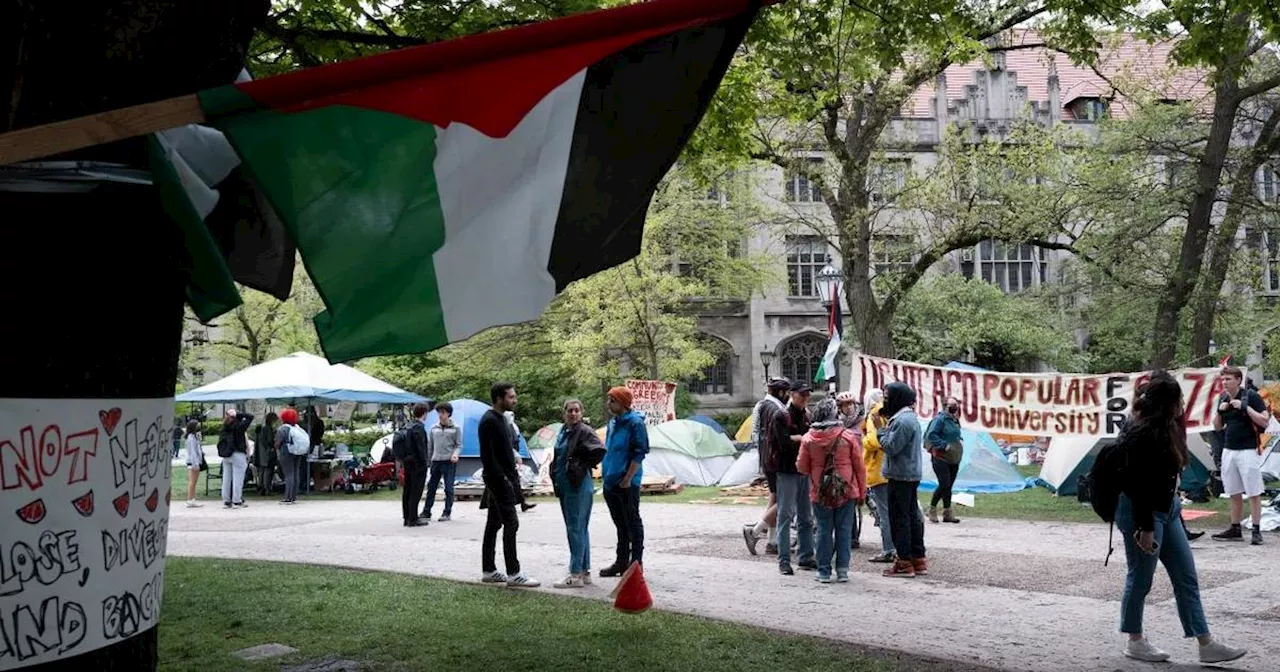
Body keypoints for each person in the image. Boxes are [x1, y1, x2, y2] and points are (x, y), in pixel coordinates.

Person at [1113, 371, 1247, 665]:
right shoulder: (1139, 433)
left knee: (1186, 577)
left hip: (1168, 509)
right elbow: (1137, 486)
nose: (1181, 404)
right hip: (1141, 513)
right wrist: (1145, 528)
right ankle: (1135, 640)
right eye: (1177, 399)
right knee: (1141, 578)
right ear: (1164, 402)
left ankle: (1205, 642)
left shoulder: (1169, 424)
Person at [797, 398, 866, 584]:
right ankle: (842, 570)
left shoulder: (808, 439)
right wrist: (862, 492)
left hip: (820, 490)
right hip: (846, 488)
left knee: (823, 530)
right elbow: (860, 467)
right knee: (844, 530)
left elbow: (802, 467)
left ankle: (824, 571)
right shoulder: (848, 436)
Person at [479, 382, 539, 587]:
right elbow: (489, 455)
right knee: (511, 523)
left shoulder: (502, 419)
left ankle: (488, 570)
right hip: (498, 480)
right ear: (499, 398)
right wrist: (502, 479)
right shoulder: (489, 421)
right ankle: (514, 573)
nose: (515, 400)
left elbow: (505, 451)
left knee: (494, 523)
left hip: (505, 478)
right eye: (511, 397)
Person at [551, 398, 605, 588]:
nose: (573, 414)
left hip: (578, 483)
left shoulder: (584, 431)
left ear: (581, 413)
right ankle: (584, 570)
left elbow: (599, 450)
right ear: (564, 413)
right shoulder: (564, 431)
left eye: (576, 411)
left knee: (575, 527)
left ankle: (574, 574)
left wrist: (580, 464)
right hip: (565, 483)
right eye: (569, 411)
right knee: (578, 528)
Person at [1211, 366, 1267, 545]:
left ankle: (1256, 529)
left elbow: (1264, 420)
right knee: (1233, 491)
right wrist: (1220, 411)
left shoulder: (1251, 396)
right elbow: (1217, 427)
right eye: (1223, 379)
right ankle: (1235, 527)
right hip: (1229, 449)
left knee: (1253, 491)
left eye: (1228, 379)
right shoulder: (1223, 397)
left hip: (1248, 449)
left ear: (1238, 379)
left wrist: (1246, 408)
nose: (1225, 383)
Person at [875, 382, 926, 577]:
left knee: (899, 519)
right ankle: (917, 558)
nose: (885, 402)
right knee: (912, 517)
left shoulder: (902, 420)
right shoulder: (907, 417)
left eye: (888, 398)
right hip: (910, 474)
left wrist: (881, 429)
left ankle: (904, 561)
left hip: (900, 475)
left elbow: (891, 447)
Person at [600, 386, 650, 578]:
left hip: (627, 482)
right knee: (620, 524)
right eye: (608, 400)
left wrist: (628, 478)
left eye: (612, 400)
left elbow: (640, 452)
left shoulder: (635, 423)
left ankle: (636, 563)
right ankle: (621, 561)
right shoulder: (613, 423)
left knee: (633, 522)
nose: (609, 404)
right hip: (611, 480)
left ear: (623, 403)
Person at [743, 378, 791, 555]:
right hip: (776, 459)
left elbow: (756, 434)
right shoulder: (776, 409)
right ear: (780, 392)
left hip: (767, 458)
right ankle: (755, 531)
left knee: (775, 496)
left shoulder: (761, 405)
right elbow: (779, 438)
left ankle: (772, 541)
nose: (788, 396)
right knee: (787, 499)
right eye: (787, 392)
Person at [773, 382, 815, 575]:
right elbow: (782, 443)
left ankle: (806, 556)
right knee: (785, 515)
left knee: (806, 517)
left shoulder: (808, 415)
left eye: (807, 395)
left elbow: (811, 441)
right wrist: (800, 439)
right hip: (787, 471)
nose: (805, 398)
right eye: (802, 395)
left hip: (804, 471)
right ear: (792, 394)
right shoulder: (781, 416)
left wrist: (797, 438)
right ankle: (784, 560)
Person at [861, 389, 895, 563]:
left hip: (877, 469)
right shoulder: (889, 412)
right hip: (890, 468)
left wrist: (864, 440)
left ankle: (888, 548)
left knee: (884, 513)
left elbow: (874, 441)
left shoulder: (874, 414)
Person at [925, 397, 963, 524]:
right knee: (944, 484)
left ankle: (947, 513)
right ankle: (932, 509)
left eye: (956, 404)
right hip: (941, 457)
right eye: (953, 404)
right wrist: (943, 445)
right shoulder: (939, 420)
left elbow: (955, 434)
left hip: (954, 458)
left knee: (949, 486)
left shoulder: (954, 419)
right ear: (945, 405)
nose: (956, 406)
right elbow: (931, 435)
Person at [422, 401, 462, 522]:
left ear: (449, 414)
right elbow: (430, 446)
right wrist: (428, 461)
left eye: (443, 412)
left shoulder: (456, 428)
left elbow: (458, 445)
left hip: (449, 462)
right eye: (439, 412)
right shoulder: (433, 428)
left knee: (448, 488)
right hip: (436, 461)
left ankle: (447, 512)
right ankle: (426, 511)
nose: (441, 415)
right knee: (431, 487)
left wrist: (455, 454)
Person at [399, 403, 430, 526]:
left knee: (407, 489)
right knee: (416, 491)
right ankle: (413, 518)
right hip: (417, 463)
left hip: (407, 462)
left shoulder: (408, 426)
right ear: (424, 413)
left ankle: (406, 517)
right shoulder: (419, 427)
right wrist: (425, 462)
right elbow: (420, 447)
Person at [218, 409, 254, 509]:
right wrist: (238, 414)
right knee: (238, 479)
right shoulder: (239, 426)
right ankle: (236, 500)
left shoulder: (225, 427)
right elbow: (250, 416)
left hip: (227, 454)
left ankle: (226, 500)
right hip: (238, 453)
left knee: (226, 478)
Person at [276, 409, 305, 505]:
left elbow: (277, 443)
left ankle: (287, 497)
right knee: (296, 473)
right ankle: (294, 496)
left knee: (288, 474)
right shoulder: (297, 427)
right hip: (297, 451)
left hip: (286, 452)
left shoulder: (283, 428)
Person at [254, 412, 279, 496]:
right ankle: (266, 488)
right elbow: (269, 441)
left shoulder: (261, 429)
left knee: (261, 471)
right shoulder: (268, 429)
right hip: (267, 453)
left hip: (261, 454)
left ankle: (260, 488)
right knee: (268, 471)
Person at [183, 420, 203, 508]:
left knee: (194, 482)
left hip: (194, 461)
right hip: (193, 461)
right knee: (192, 481)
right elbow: (193, 452)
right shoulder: (191, 438)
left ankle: (192, 499)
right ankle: (190, 499)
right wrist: (196, 463)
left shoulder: (194, 437)